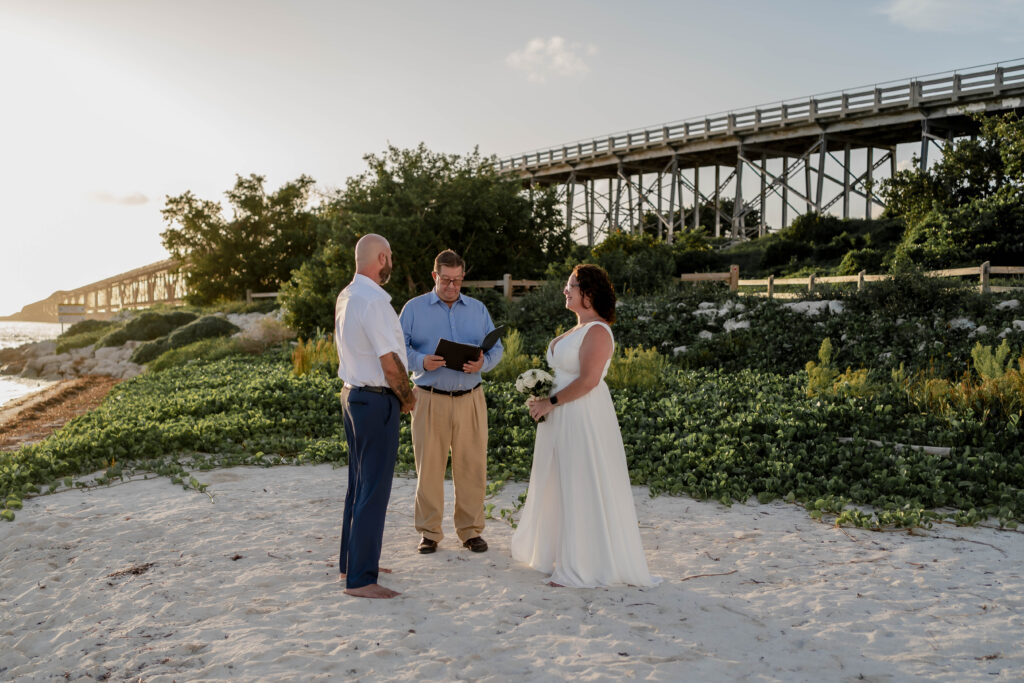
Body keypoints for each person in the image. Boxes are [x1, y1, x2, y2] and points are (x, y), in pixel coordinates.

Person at [510, 264, 660, 588]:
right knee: (557, 483)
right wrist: (540, 391)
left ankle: (581, 566)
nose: (566, 290)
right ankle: (558, 554)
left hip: (581, 416)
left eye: (571, 286)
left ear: (588, 294)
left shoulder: (598, 332)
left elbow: (590, 380)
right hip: (559, 415)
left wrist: (549, 402)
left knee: (580, 483)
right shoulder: (576, 329)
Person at [399, 249, 503, 555]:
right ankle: (429, 533)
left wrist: (482, 364)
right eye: (446, 280)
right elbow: (394, 348)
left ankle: (471, 531)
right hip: (429, 399)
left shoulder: (478, 309)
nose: (452, 287)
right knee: (429, 468)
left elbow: (496, 350)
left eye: (458, 281)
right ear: (435, 276)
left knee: (472, 466)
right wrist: (421, 360)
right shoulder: (414, 309)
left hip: (471, 399)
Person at [334, 233, 416, 599]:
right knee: (374, 490)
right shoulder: (375, 302)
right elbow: (389, 361)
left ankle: (351, 564)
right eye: (391, 257)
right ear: (382, 257)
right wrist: (408, 397)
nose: (391, 263)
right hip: (376, 399)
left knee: (358, 485)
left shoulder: (347, 296)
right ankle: (362, 580)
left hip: (352, 396)